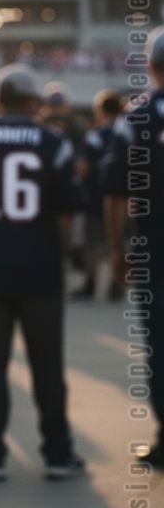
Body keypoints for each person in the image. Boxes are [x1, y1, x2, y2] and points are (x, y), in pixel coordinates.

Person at [0, 64, 86, 482]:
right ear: (33, 101)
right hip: (39, 267)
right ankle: (58, 453)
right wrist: (55, 249)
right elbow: (67, 213)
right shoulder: (54, 141)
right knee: (47, 364)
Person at [103, 27, 164, 468]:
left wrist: (115, 248)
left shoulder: (137, 117)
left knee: (159, 344)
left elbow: (117, 194)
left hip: (153, 246)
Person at [74, 89, 123, 301]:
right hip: (123, 197)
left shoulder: (96, 134)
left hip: (96, 195)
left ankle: (90, 284)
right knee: (119, 240)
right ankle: (116, 283)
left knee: (92, 244)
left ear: (101, 110)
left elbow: (83, 167)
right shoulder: (126, 131)